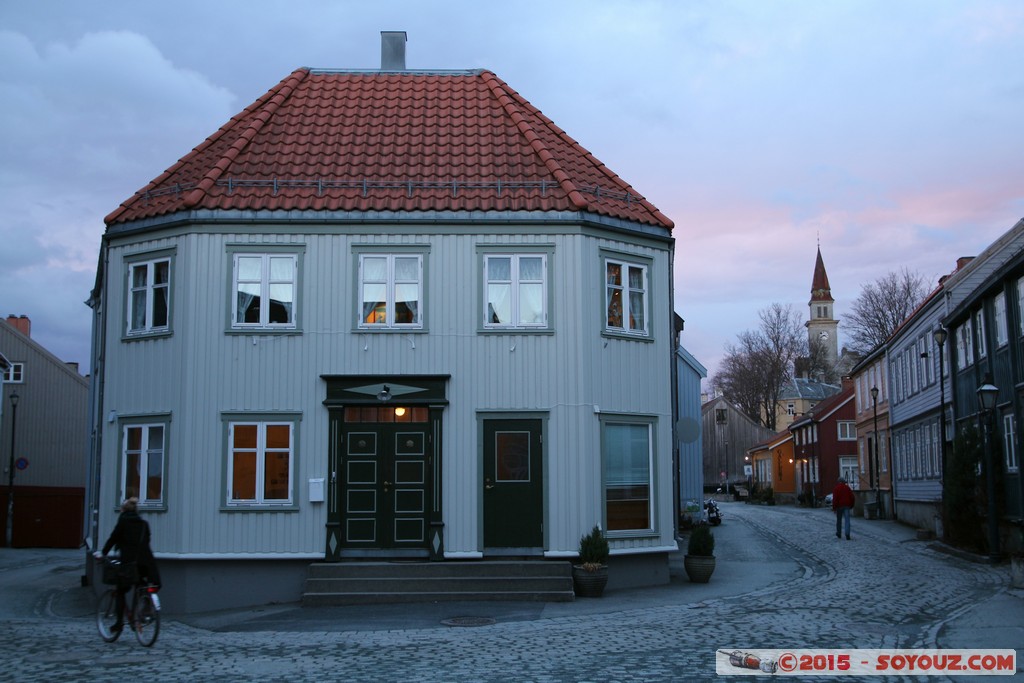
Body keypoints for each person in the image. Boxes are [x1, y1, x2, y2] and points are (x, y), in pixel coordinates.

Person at [96, 498, 160, 633]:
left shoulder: (123, 522)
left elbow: (113, 539)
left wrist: (103, 554)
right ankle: (144, 607)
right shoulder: (144, 524)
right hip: (146, 564)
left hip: (129, 564)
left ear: (123, 510)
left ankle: (119, 624)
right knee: (140, 584)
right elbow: (147, 541)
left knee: (121, 591)